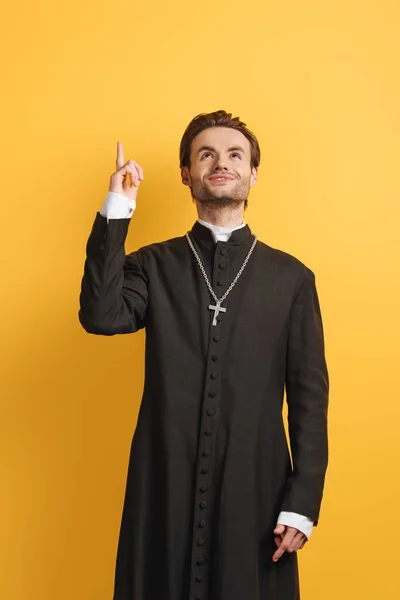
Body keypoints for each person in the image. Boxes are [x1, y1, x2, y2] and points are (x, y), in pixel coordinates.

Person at [78, 109, 329, 600]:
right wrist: (117, 207)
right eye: (206, 154)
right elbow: (101, 316)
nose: (221, 163)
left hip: (255, 488)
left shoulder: (292, 278)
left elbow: (309, 403)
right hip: (163, 484)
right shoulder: (153, 264)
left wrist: (302, 503)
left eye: (235, 154)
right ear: (186, 174)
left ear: (253, 172)